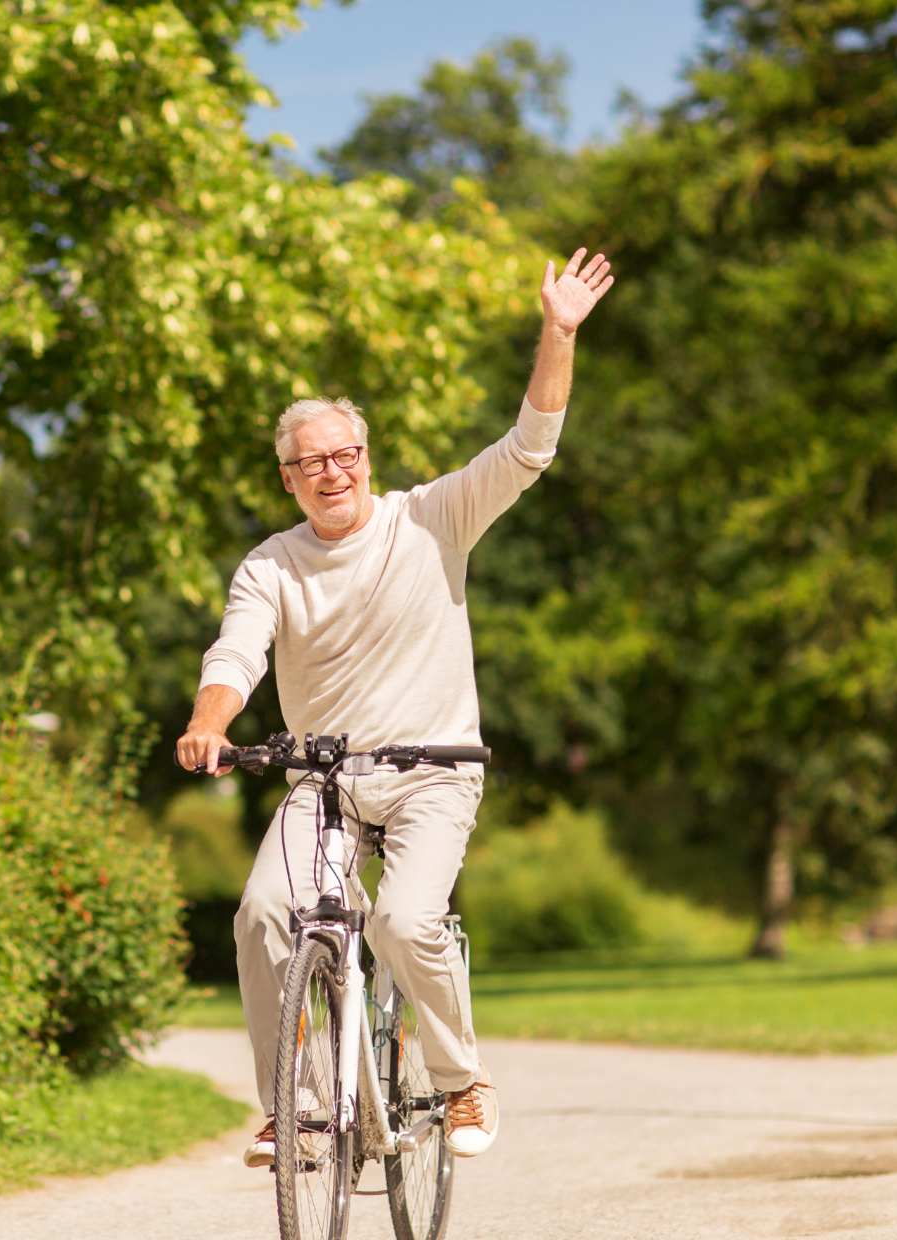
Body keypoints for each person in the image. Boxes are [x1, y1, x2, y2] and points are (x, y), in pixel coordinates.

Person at [175, 248, 614, 1167]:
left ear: (366, 459)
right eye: (311, 462)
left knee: (404, 922)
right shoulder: (270, 564)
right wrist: (210, 721)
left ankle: (460, 1079)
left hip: (433, 773)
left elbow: (529, 446)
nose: (332, 472)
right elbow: (237, 651)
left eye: (346, 455)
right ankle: (296, 1110)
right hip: (325, 780)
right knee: (261, 913)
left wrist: (559, 331)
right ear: (288, 478)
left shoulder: (432, 518)